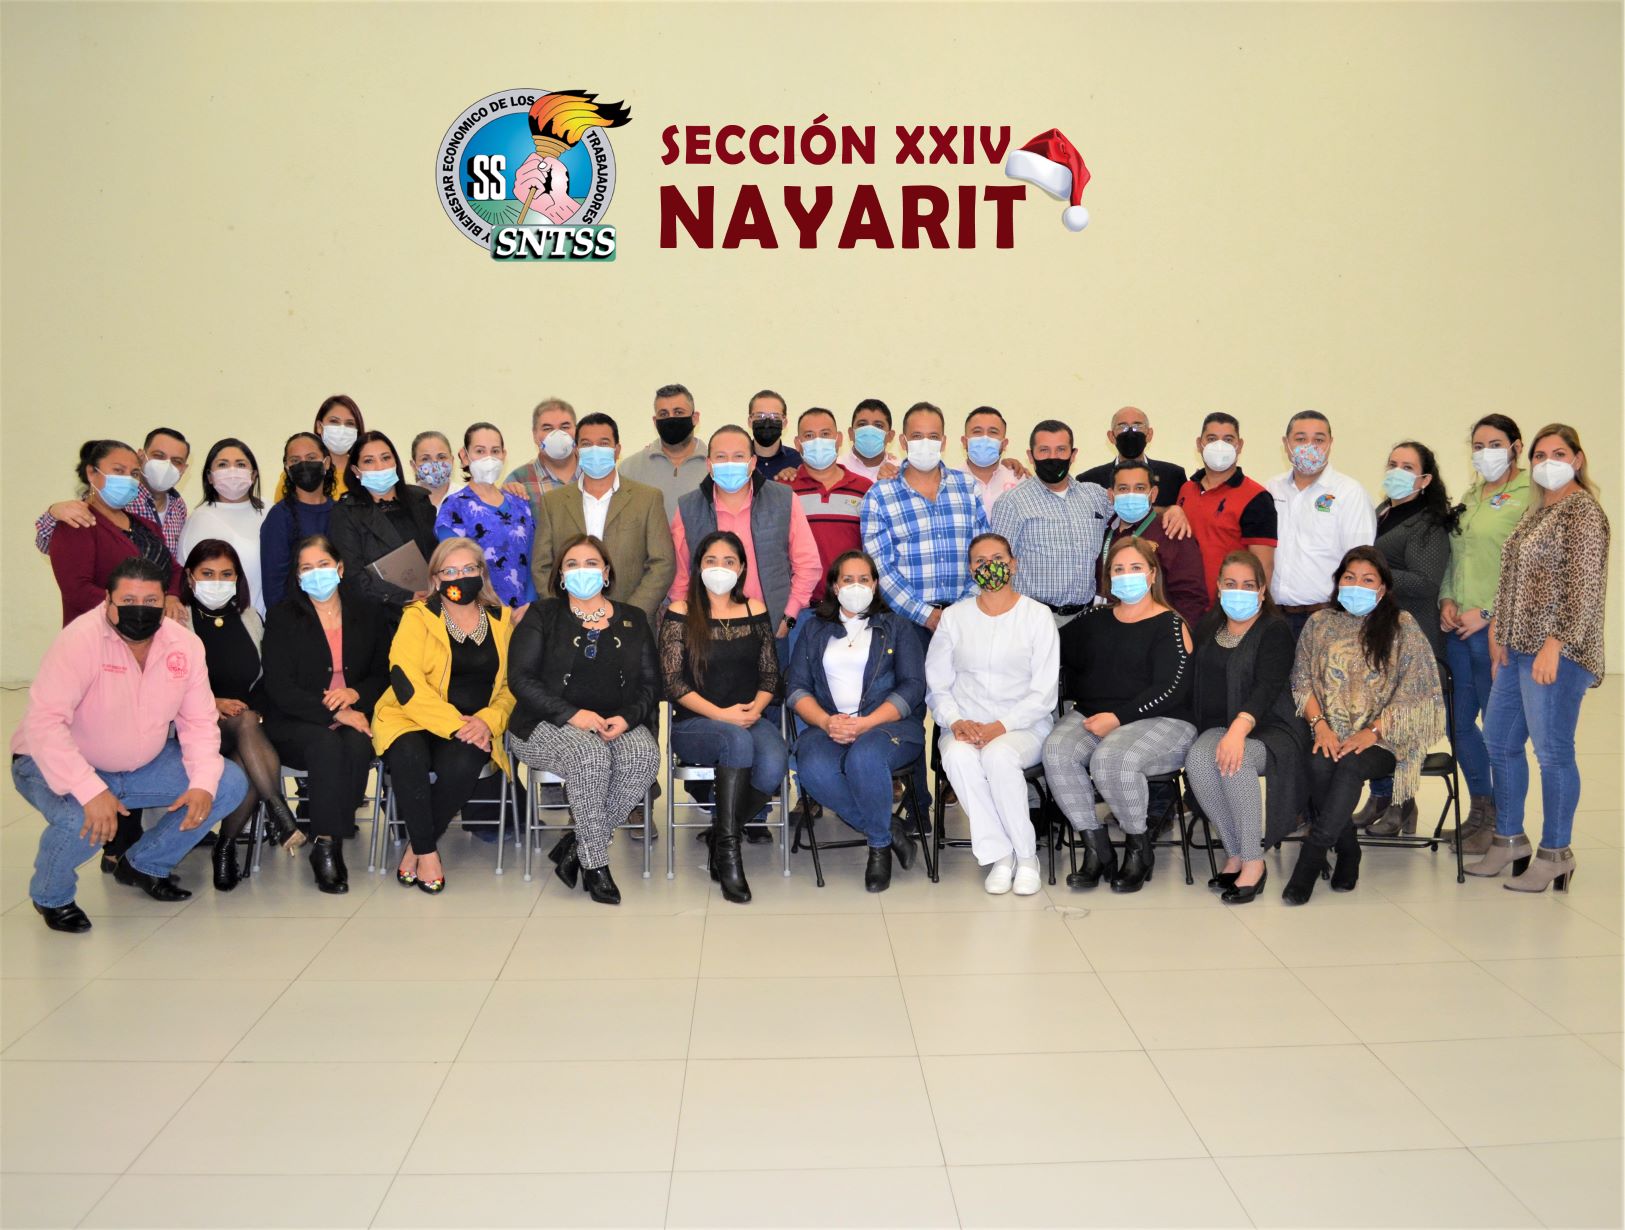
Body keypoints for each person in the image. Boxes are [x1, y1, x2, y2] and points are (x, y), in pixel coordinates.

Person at [12, 558, 249, 932]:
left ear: (164, 601)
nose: (140, 609)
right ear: (108, 601)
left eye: (151, 601)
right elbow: (46, 724)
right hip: (51, 761)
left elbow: (199, 722)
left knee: (227, 783)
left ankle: (144, 864)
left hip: (139, 766)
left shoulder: (184, 645)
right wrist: (90, 790)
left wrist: (203, 784)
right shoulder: (80, 640)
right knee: (82, 819)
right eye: (128, 600)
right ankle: (51, 896)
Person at [1470, 424, 1609, 893]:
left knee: (1553, 752)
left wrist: (1556, 643)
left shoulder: (1582, 512)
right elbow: (1511, 578)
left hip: (1557, 652)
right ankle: (1509, 840)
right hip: (1518, 648)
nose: (1549, 462)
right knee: (1499, 741)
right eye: (1541, 454)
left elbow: (1583, 587)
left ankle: (1556, 853)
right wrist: (1501, 636)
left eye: (1559, 453)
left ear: (1578, 459)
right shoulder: (1538, 511)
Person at [508, 535, 661, 905]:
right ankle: (595, 865)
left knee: (644, 756)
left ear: (606, 572)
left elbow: (650, 684)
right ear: (561, 576)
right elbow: (520, 680)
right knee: (589, 755)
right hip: (545, 723)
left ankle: (576, 845)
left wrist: (626, 718)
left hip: (613, 721)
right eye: (572, 564)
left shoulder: (633, 618)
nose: (582, 571)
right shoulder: (541, 615)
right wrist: (572, 715)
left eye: (591, 563)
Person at [1288, 547, 1445, 905]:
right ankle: (1349, 850)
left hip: (1384, 738)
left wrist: (1372, 731)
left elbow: (1416, 691)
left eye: (1368, 579)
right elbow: (1301, 681)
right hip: (1329, 730)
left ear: (1383, 588)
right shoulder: (1320, 623)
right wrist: (1320, 725)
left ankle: (1311, 856)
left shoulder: (1402, 626)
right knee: (1318, 763)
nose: (1357, 585)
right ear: (1338, 582)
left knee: (1350, 765)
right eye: (1350, 577)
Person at [1043, 537, 1196, 894]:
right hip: (1095, 714)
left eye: (1136, 568)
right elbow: (1049, 648)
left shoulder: (1172, 625)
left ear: (1153, 574)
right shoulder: (1094, 619)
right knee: (1056, 751)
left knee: (1112, 758)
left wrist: (1118, 717)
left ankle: (1139, 849)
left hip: (1165, 720)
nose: (1127, 576)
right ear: (1109, 578)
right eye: (1119, 569)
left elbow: (1171, 690)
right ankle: (1097, 849)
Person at [371, 538, 517, 895]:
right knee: (408, 756)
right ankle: (427, 853)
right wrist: (456, 725)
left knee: (463, 764)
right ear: (435, 579)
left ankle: (415, 848)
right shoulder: (417, 616)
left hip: (474, 724)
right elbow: (405, 682)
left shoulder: (502, 620)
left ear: (482, 574)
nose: (460, 577)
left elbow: (511, 687)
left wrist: (488, 721)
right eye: (449, 571)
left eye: (468, 569)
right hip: (410, 717)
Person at [926, 534, 1058, 895]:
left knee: (999, 756)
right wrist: (955, 721)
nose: (990, 567)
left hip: (1024, 727)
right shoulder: (954, 618)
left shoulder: (1037, 616)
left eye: (998, 558)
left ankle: (1026, 857)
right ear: (971, 570)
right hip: (965, 725)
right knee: (956, 756)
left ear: (1013, 564)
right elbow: (937, 684)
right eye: (980, 561)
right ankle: (1001, 855)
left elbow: (1043, 693)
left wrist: (1001, 726)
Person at [660, 531, 787, 904]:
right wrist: (721, 715)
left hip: (748, 717)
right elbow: (672, 682)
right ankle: (729, 855)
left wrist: (756, 709)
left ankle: (720, 833)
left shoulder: (754, 609)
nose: (720, 568)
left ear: (742, 568)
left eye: (729, 561)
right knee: (736, 740)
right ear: (699, 567)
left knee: (775, 760)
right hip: (695, 724)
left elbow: (770, 674)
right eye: (711, 561)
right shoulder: (681, 611)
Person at [788, 551, 927, 891]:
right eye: (847, 580)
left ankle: (878, 849)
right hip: (830, 726)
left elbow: (913, 686)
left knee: (865, 757)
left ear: (875, 585)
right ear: (835, 587)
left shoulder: (897, 626)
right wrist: (826, 722)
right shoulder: (814, 628)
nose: (856, 586)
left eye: (864, 579)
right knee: (812, 766)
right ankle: (888, 829)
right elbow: (796, 687)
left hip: (888, 726)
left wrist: (867, 724)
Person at [261, 536, 391, 893]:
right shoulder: (282, 616)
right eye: (306, 568)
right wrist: (335, 711)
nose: (316, 574)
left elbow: (383, 673)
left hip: (355, 711)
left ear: (340, 568)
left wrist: (355, 694)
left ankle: (326, 836)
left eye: (323, 565)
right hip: (296, 718)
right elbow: (279, 686)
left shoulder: (368, 611)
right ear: (297, 576)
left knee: (358, 746)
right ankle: (327, 846)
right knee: (327, 745)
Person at [1182, 551, 1307, 904]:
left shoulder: (1274, 630)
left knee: (1233, 763)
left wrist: (1238, 730)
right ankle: (1234, 851)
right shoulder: (1210, 626)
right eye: (1231, 584)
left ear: (1262, 591)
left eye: (1248, 585)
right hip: (1221, 725)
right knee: (1198, 761)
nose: (1239, 592)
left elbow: (1267, 687)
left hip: (1272, 727)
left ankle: (1254, 862)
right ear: (1219, 587)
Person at [181, 539, 304, 889]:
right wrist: (214, 702)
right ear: (190, 577)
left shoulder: (249, 618)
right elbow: (172, 685)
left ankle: (225, 846)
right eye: (207, 574)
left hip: (247, 725)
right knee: (247, 727)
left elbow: (266, 677)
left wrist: (256, 710)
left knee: (246, 758)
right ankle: (279, 812)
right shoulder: (179, 621)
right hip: (198, 724)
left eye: (226, 574)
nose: (217, 581)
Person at [1436, 414, 1531, 854]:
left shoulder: (1530, 495)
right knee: (1458, 724)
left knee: (1500, 733)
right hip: (1459, 632)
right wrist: (1447, 599)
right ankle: (1482, 809)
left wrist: (1490, 613)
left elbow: (1530, 571)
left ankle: (1507, 827)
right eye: (1478, 445)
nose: (1485, 453)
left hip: (1498, 633)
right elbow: (1457, 559)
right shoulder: (1472, 496)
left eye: (1495, 444)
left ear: (1516, 447)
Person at [1354, 440, 1459, 837]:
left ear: (1425, 478)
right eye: (1392, 463)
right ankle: (1381, 797)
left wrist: (1374, 577)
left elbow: (1426, 582)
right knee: (1376, 719)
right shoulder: (1382, 512)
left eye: (1407, 467)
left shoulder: (1427, 523)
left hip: (1413, 637)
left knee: (1403, 724)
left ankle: (1403, 804)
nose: (1396, 471)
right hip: (1381, 635)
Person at [668, 425, 822, 651]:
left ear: (752, 462)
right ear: (709, 464)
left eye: (738, 456)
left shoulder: (784, 499)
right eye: (721, 457)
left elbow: (808, 564)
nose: (730, 463)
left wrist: (789, 616)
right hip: (708, 632)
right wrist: (687, 620)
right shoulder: (688, 507)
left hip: (771, 628)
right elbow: (679, 575)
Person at [861, 402, 991, 645]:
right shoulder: (879, 496)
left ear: (943, 442)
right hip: (905, 624)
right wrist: (926, 615)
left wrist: (959, 612)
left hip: (966, 619)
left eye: (933, 437)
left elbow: (984, 555)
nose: (925, 443)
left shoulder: (967, 487)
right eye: (917, 436)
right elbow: (880, 568)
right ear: (903, 441)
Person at [531, 412, 676, 623]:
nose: (595, 450)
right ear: (576, 450)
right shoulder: (553, 502)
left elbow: (662, 564)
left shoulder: (647, 499)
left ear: (617, 450)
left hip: (631, 624)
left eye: (603, 443)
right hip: (568, 624)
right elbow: (542, 566)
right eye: (586, 444)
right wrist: (563, 614)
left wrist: (630, 615)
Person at [49, 439, 183, 627]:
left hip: (149, 632)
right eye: (119, 471)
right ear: (92, 473)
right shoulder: (76, 523)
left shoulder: (146, 525)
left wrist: (172, 597)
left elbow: (174, 569)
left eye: (134, 473)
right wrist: (139, 608)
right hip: (98, 633)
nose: (128, 479)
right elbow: (78, 591)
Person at [990, 419, 1111, 624]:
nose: (1053, 457)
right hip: (1032, 619)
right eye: (1044, 450)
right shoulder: (1011, 502)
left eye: (1061, 450)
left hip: (1086, 618)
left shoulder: (1096, 496)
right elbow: (998, 564)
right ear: (1030, 456)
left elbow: (1132, 517)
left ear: (1073, 455)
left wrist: (1168, 511)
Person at [1266, 411, 1377, 635]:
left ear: (1330, 443)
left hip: (1327, 616)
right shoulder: (1271, 489)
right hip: (1274, 616)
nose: (1310, 446)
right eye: (1300, 439)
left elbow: (1360, 561)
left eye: (1318, 440)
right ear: (1286, 444)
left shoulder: (1349, 492)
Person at [327, 430, 438, 624]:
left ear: (395, 462)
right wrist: (406, 596)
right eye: (369, 461)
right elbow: (352, 575)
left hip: (430, 607)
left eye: (386, 458)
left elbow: (436, 553)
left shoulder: (420, 500)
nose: (380, 467)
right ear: (356, 470)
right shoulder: (345, 512)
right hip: (378, 616)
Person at [1172, 413, 1278, 609]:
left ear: (1240, 445)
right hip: (1186, 606)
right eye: (1212, 439)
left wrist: (1251, 611)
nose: (1219, 446)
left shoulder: (1257, 497)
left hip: (1229, 609)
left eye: (1228, 439)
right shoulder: (1186, 489)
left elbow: (1263, 567)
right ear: (1199, 444)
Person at [36, 426, 191, 559]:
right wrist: (54, 512)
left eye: (176, 461)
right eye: (158, 456)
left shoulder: (178, 506)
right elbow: (48, 546)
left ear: (184, 468)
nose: (166, 465)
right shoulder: (117, 495)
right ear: (141, 456)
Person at [434, 422, 540, 614]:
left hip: (526, 613)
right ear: (464, 456)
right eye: (480, 451)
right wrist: (495, 614)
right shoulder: (453, 508)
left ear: (504, 455)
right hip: (480, 613)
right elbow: (455, 572)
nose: (489, 458)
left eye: (495, 451)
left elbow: (534, 559)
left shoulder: (520, 502)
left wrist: (530, 607)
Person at [775, 407, 873, 602]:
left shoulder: (865, 488)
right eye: (809, 435)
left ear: (839, 439)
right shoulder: (782, 490)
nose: (817, 441)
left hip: (852, 604)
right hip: (801, 607)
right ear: (798, 443)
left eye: (825, 434)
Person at [1100, 460, 1209, 626]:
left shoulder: (1172, 531)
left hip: (1158, 630)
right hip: (1110, 627)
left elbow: (1191, 597)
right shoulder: (1103, 531)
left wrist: (1177, 634)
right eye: (1123, 489)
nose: (1131, 495)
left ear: (1153, 493)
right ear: (1111, 495)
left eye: (1140, 488)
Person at [178, 438, 269, 615]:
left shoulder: (270, 511)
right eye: (223, 464)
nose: (232, 471)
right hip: (222, 622)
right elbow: (187, 581)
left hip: (268, 621)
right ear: (209, 477)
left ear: (253, 475)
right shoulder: (199, 519)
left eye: (240, 464)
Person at [261, 433, 335, 608]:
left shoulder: (342, 512)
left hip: (341, 614)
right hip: (296, 617)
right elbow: (274, 585)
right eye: (295, 460)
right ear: (287, 469)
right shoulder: (279, 516)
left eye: (311, 457)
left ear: (326, 462)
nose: (304, 464)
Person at [1077, 405, 1188, 506]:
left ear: (1149, 434)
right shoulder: (1089, 481)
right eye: (1122, 426)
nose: (1130, 432)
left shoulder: (1173, 477)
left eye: (1137, 426)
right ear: (1111, 437)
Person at [624, 383, 710, 509]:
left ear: (695, 418)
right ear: (655, 422)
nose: (671, 419)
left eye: (678, 412)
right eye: (664, 414)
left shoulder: (715, 466)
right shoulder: (630, 468)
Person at [272, 395, 362, 501]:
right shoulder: (297, 472)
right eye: (334, 421)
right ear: (319, 426)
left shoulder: (365, 472)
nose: (342, 429)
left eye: (349, 423)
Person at [505, 397, 579, 502]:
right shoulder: (518, 481)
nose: (557, 435)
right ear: (535, 435)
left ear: (577, 430)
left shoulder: (594, 471)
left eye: (565, 427)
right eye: (547, 428)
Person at [960, 406, 1024, 513]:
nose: (985, 438)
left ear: (1004, 444)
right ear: (964, 442)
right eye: (977, 431)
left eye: (993, 432)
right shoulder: (949, 482)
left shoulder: (1020, 481)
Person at [747, 389, 801, 481]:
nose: (767, 423)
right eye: (760, 416)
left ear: (784, 423)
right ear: (750, 421)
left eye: (775, 417)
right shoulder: (739, 461)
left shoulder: (798, 461)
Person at [838, 398, 898, 481]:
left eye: (878, 425)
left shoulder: (900, 472)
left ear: (890, 436)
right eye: (862, 424)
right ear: (851, 433)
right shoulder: (836, 468)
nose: (869, 431)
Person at [412, 431, 457, 510]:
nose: (435, 466)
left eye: (441, 457)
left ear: (452, 461)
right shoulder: (404, 501)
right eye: (425, 459)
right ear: (414, 466)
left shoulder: (467, 498)